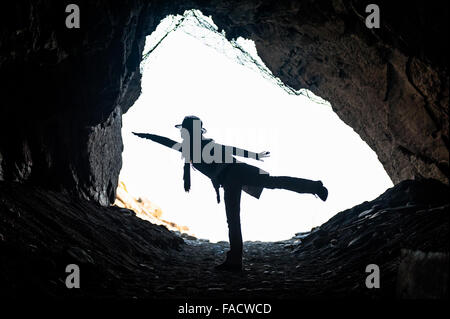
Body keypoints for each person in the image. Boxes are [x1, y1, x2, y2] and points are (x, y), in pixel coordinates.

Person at [133, 115, 328, 272]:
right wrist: (147, 136)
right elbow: (228, 151)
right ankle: (314, 186)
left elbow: (229, 150)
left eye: (184, 130)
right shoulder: (197, 146)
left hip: (234, 176)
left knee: (234, 218)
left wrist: (147, 136)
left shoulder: (198, 146)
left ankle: (235, 260)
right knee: (273, 184)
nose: (182, 133)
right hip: (239, 174)